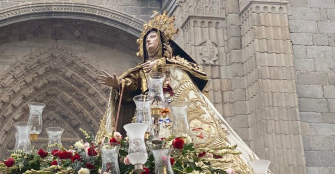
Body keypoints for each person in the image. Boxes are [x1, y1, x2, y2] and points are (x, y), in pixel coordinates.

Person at [96, 11, 260, 173]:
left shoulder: (175, 64)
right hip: (145, 112)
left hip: (170, 110)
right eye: (146, 39)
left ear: (162, 41)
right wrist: (119, 84)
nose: (148, 41)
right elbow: (132, 85)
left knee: (171, 140)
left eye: (152, 37)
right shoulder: (141, 70)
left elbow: (194, 75)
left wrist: (161, 64)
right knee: (145, 143)